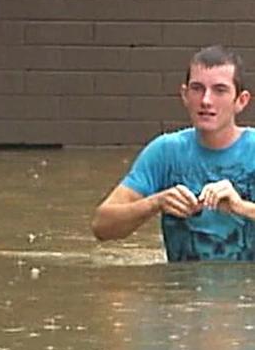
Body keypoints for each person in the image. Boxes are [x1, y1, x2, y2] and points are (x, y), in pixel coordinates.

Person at [92, 45, 255, 261]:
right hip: (182, 292)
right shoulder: (165, 151)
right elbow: (101, 226)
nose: (206, 100)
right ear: (185, 95)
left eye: (220, 90)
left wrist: (241, 207)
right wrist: (155, 203)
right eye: (197, 88)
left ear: (241, 101)